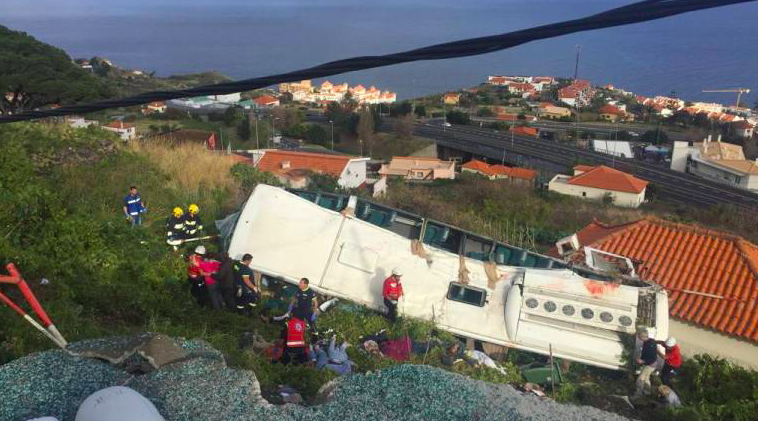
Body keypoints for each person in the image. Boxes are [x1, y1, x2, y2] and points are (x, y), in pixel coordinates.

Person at [635, 328, 658, 397]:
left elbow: (653, 358)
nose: (638, 338)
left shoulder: (650, 345)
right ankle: (647, 392)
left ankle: (638, 394)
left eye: (639, 337)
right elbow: (645, 353)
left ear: (642, 336)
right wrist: (641, 360)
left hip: (650, 365)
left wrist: (643, 361)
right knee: (646, 378)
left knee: (640, 379)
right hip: (649, 364)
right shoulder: (649, 341)